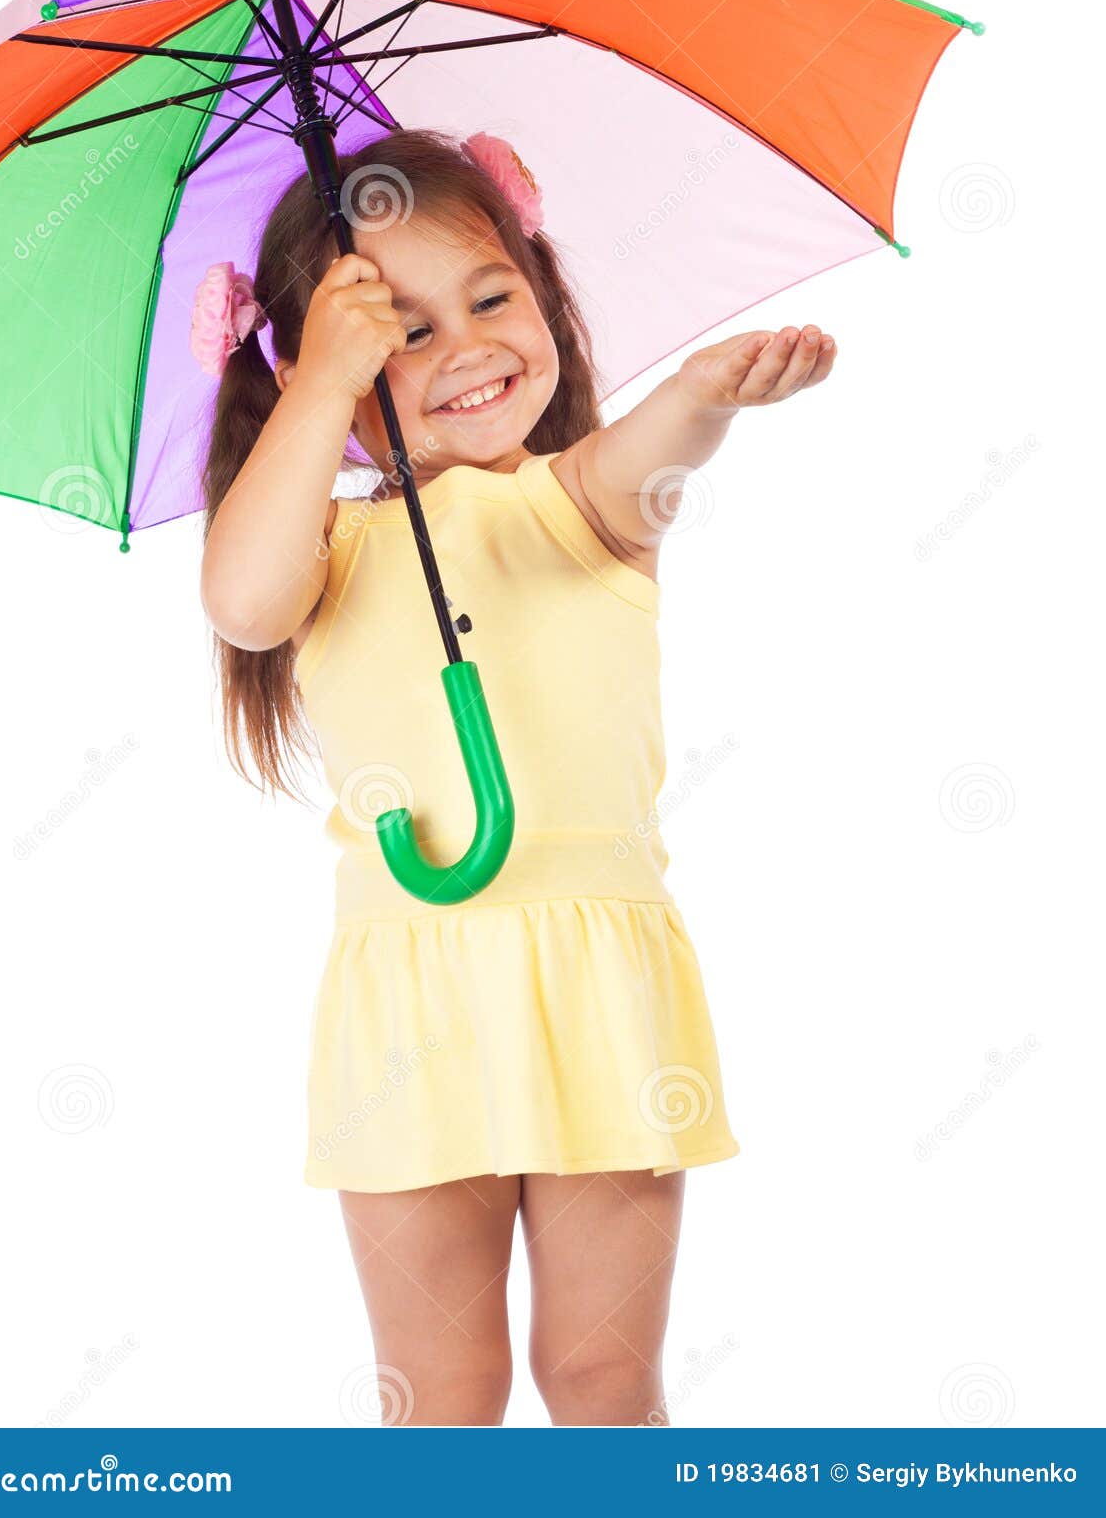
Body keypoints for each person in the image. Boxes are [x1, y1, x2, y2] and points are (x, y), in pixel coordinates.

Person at [199, 127, 836, 1427]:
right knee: (442, 1386)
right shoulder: (319, 546)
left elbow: (646, 450)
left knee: (600, 1377)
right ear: (315, 364)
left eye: (493, 294)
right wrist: (320, 388)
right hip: (408, 1011)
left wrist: (707, 388)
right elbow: (243, 602)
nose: (472, 344)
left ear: (544, 285)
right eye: (404, 332)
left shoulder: (575, 506)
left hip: (601, 993)